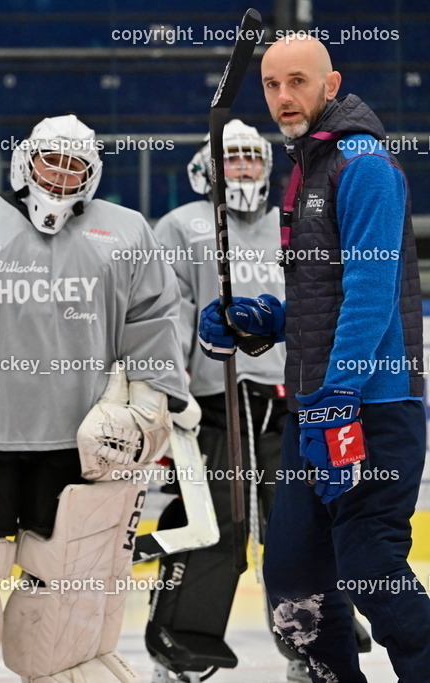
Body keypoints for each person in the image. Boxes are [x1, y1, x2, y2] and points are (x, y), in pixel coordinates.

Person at [0, 114, 188, 681]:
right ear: (26, 161)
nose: (61, 175)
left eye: (75, 166)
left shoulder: (127, 231)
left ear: (93, 174)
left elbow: (152, 320)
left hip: (79, 446)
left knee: (67, 590)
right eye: (52, 161)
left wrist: (150, 401)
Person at [199, 35, 430, 682]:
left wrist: (339, 396)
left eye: (297, 81)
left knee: (370, 567)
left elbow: (369, 293)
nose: (283, 97)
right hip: (315, 406)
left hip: (369, 408)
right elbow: (321, 300)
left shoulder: (364, 166)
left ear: (332, 85)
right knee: (294, 583)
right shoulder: (307, 167)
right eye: (271, 84)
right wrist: (265, 320)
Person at [147, 120, 305, 682]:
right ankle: (182, 650)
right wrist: (172, 387)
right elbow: (166, 313)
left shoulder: (290, 226)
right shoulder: (184, 225)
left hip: (286, 402)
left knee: (299, 528)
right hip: (215, 404)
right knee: (212, 527)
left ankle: (313, 643)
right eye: (231, 159)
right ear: (209, 170)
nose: (242, 167)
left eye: (251, 158)